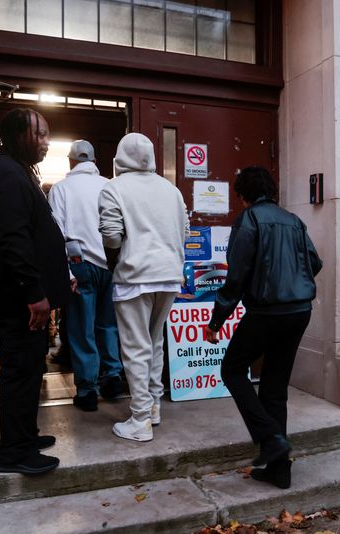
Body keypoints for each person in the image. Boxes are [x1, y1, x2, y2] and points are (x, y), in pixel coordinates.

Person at [204, 166, 322, 490]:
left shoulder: (249, 220)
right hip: (299, 311)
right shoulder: (294, 220)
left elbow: (236, 275)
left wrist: (216, 321)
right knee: (274, 389)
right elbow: (315, 262)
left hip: (267, 312)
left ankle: (270, 439)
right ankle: (279, 469)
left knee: (232, 369)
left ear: (242, 195)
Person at [0, 108, 70, 475]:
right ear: (17, 135)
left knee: (30, 369)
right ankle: (14, 452)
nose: (46, 142)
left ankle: (25, 435)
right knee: (20, 371)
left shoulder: (15, 171)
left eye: (47, 135)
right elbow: (14, 240)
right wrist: (34, 292)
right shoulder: (7, 174)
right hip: (19, 302)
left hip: (24, 299)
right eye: (40, 134)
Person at [98, 132, 189, 442]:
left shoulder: (114, 188)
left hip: (134, 276)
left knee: (136, 347)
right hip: (169, 275)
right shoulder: (171, 190)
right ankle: (153, 407)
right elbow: (185, 230)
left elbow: (111, 236)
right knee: (154, 342)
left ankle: (139, 419)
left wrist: (118, 258)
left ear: (120, 157)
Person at [49, 140, 124, 411]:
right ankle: (113, 375)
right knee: (108, 324)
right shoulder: (110, 186)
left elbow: (56, 233)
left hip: (80, 264)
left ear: (71, 162)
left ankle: (87, 390)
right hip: (111, 264)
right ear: (94, 161)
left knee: (82, 328)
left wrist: (66, 271)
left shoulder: (61, 189)